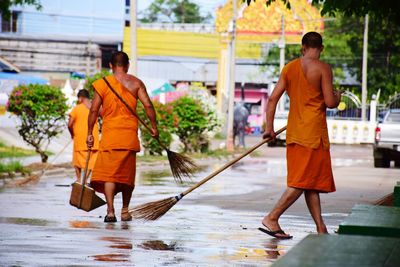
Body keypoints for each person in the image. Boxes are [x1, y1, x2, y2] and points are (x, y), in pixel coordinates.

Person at [260, 32, 341, 238]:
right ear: (320, 48)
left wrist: (269, 129)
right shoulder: (323, 68)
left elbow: (272, 100)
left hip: (295, 133)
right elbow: (330, 103)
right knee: (302, 181)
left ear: (303, 47)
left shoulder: (289, 68)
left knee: (309, 182)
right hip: (313, 134)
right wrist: (337, 96)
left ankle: (320, 227)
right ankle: (272, 217)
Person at [87, 51, 159, 223]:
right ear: (127, 65)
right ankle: (125, 211)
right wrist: (154, 127)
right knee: (127, 176)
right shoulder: (136, 83)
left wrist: (90, 133)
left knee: (110, 175)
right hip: (128, 135)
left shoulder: (102, 84)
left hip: (111, 135)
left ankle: (110, 212)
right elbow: (148, 105)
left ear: (111, 66)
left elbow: (94, 110)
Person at [68, 89, 99, 182]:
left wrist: (72, 134)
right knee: (91, 161)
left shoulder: (77, 108)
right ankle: (85, 180)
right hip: (93, 139)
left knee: (78, 161)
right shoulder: (94, 108)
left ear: (80, 98)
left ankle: (78, 180)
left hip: (80, 139)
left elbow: (70, 124)